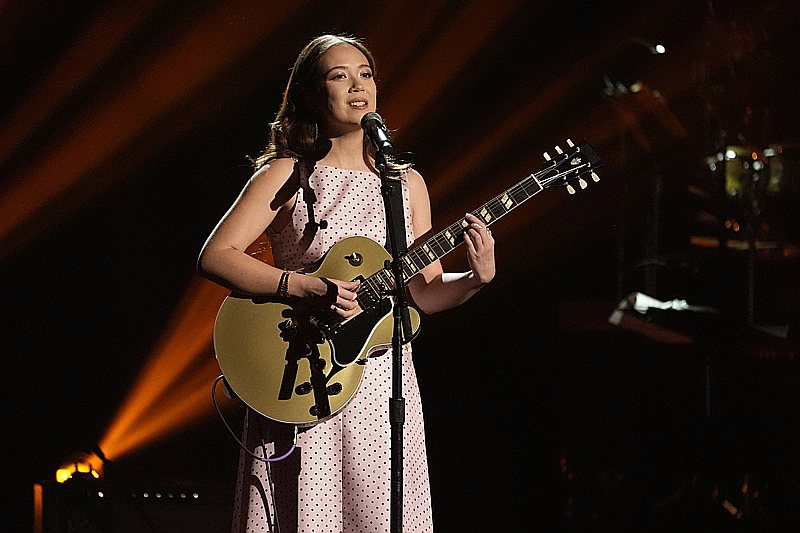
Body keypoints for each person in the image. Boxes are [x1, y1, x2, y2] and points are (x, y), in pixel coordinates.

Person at [198, 33, 495, 533]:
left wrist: (475, 278)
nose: (357, 85)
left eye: (366, 73)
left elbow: (424, 292)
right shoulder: (288, 173)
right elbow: (216, 256)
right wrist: (306, 287)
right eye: (339, 76)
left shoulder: (405, 184)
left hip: (380, 385)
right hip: (302, 370)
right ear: (313, 95)